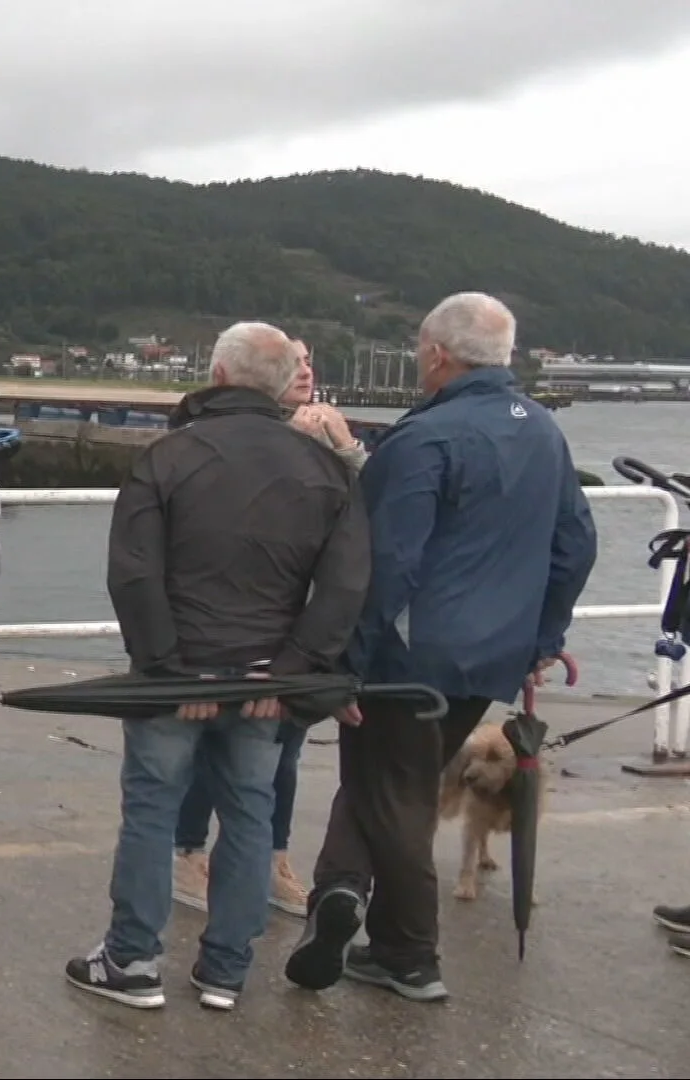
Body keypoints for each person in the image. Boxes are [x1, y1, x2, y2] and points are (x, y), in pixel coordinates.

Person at [285, 292, 597, 1004]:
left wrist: (347, 660)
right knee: (394, 781)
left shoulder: (425, 439)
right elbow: (575, 544)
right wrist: (543, 636)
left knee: (394, 791)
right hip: (490, 657)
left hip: (411, 657)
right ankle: (341, 897)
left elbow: (386, 561)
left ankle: (407, 951)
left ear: (435, 354)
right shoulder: (544, 433)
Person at [67, 321, 369, 1011]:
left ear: (219, 375)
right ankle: (226, 971)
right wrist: (292, 670)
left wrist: (169, 667)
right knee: (251, 813)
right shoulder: (324, 469)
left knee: (152, 809)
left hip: (179, 675)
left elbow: (135, 574)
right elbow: (347, 584)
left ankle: (132, 960)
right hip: (268, 678)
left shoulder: (167, 456)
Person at [172, 338, 367, 917]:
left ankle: (273, 859)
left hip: (303, 629)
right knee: (215, 746)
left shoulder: (330, 442)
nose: (305, 369)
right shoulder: (218, 437)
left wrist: (349, 452)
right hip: (236, 623)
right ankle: (189, 853)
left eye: (312, 359)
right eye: (295, 361)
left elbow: (364, 525)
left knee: (283, 752)